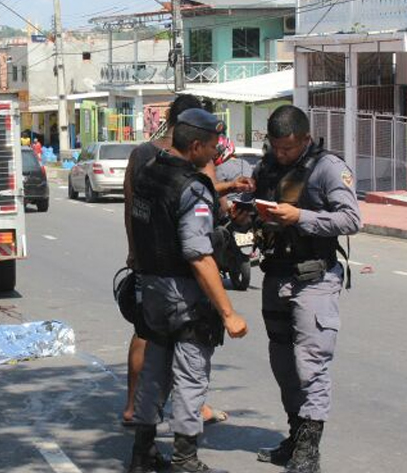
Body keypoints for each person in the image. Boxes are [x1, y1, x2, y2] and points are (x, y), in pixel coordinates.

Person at [127, 109, 248, 473]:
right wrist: (229, 313)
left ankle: (142, 453)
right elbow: (198, 254)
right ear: (195, 146)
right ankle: (185, 458)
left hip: (150, 288)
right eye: (212, 146)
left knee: (154, 372)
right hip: (183, 294)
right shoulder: (191, 187)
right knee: (191, 374)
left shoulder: (149, 172)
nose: (215, 153)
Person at [249, 105, 361, 473]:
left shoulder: (328, 168)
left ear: (306, 139)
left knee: (309, 364)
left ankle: (309, 452)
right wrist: (245, 214)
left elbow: (350, 219)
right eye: (276, 147)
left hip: (314, 279)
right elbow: (257, 211)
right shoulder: (265, 168)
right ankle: (295, 437)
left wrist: (301, 217)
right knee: (282, 364)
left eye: (289, 148)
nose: (281, 154)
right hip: (276, 276)